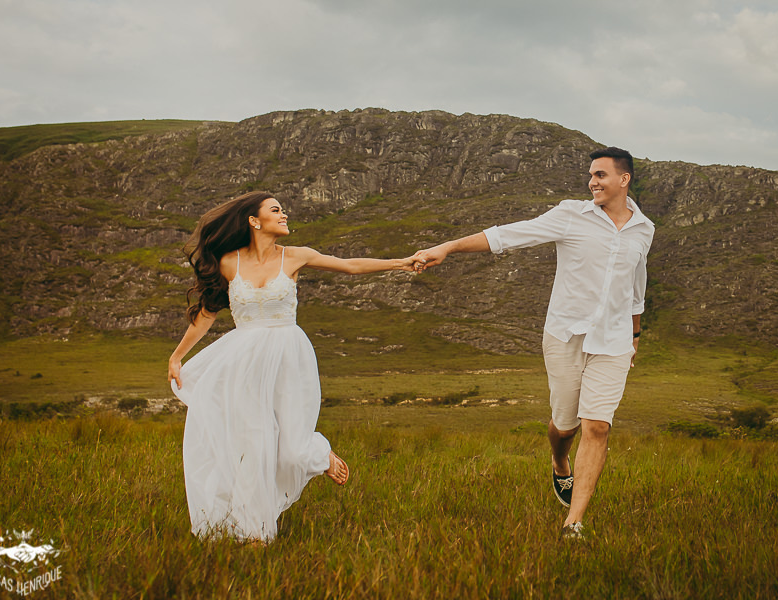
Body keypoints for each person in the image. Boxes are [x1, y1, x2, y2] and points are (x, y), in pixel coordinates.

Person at [413, 147, 654, 539]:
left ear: (623, 179)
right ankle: (560, 461)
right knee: (565, 425)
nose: (592, 181)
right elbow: (509, 235)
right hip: (565, 336)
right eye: (591, 175)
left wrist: (635, 335)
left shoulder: (645, 229)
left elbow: (635, 290)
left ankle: (573, 523)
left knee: (598, 427)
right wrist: (449, 247)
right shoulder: (570, 215)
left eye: (601, 175)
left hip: (613, 342)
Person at [168, 191, 417, 543]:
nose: (284, 215)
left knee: (291, 449)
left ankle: (317, 453)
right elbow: (206, 315)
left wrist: (400, 263)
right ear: (254, 221)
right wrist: (177, 356)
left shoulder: (296, 256)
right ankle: (257, 532)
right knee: (250, 445)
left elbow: (350, 265)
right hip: (244, 360)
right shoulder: (228, 263)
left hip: (289, 357)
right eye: (275, 210)